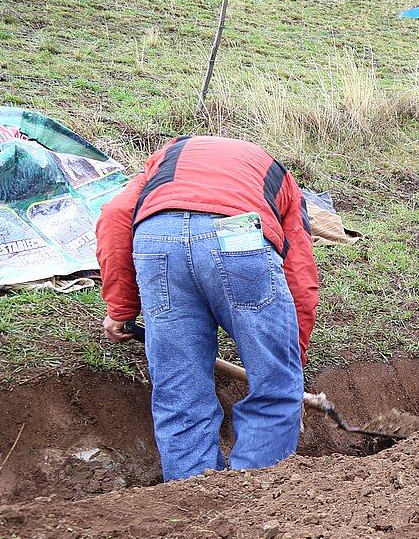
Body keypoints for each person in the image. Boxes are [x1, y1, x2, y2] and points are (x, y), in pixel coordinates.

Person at [96, 136, 319, 482]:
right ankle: (256, 494)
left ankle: (192, 496)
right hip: (238, 232)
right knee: (274, 389)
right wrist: (290, 363)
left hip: (157, 238)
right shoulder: (278, 176)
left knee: (179, 393)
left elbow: (114, 216)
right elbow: (299, 277)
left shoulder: (165, 161)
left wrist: (121, 308)